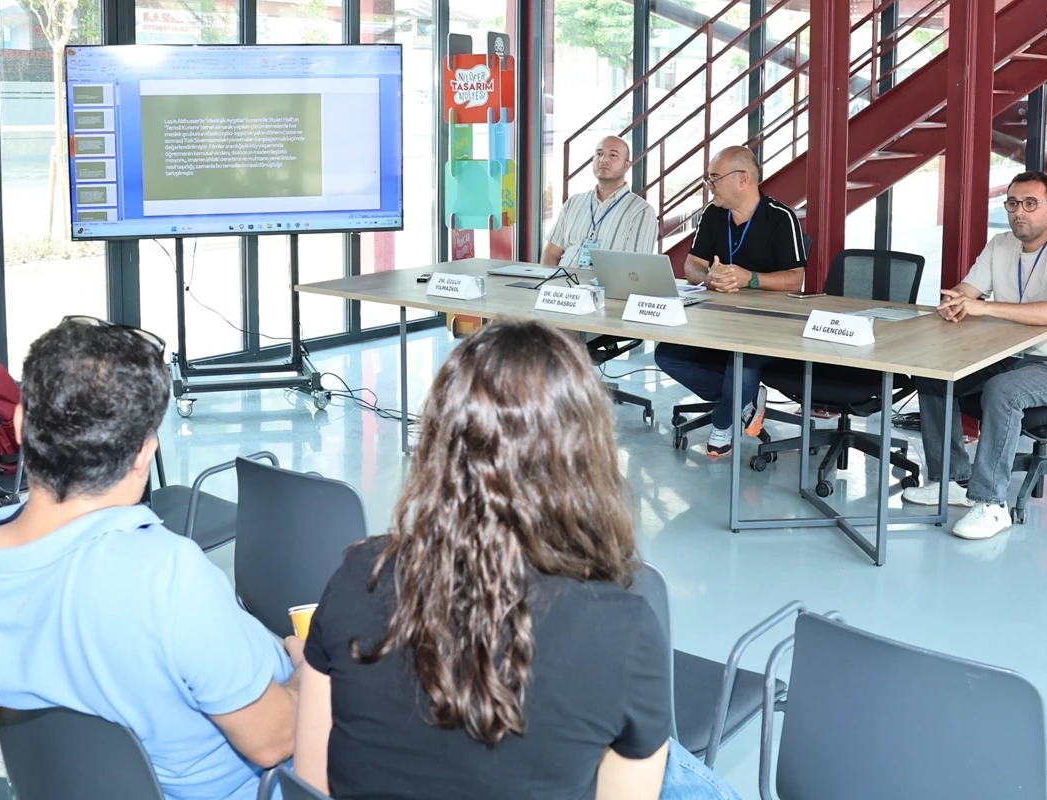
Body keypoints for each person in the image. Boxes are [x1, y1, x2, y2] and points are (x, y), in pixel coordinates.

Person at [294, 320, 741, 800]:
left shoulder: (360, 574)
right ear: (586, 455)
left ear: (440, 441)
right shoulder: (624, 631)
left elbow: (309, 786)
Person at [0, 318, 301, 800]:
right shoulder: (168, 578)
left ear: (19, 425)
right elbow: (273, 742)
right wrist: (311, 672)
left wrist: (13, 669)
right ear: (144, 456)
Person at [902, 171, 1047, 541]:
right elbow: (967, 290)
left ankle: (991, 504)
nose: (1020, 212)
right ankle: (950, 480)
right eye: (1013, 203)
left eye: (1031, 204)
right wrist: (956, 301)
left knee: (1004, 390)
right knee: (936, 372)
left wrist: (982, 308)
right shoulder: (1000, 245)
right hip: (1018, 355)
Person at [654, 146, 806, 459]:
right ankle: (744, 401)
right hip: (716, 317)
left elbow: (795, 279)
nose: (709, 186)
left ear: (743, 179)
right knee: (667, 355)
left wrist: (750, 279)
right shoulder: (713, 214)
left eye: (715, 178)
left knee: (742, 368)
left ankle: (723, 421)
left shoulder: (781, 217)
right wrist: (710, 278)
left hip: (766, 323)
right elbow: (691, 266)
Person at [541, 135, 658, 268]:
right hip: (562, 279)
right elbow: (551, 253)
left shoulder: (641, 212)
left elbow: (635, 268)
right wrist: (548, 278)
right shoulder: (574, 203)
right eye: (599, 154)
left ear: (627, 165)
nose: (603, 160)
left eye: (613, 155)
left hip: (604, 282)